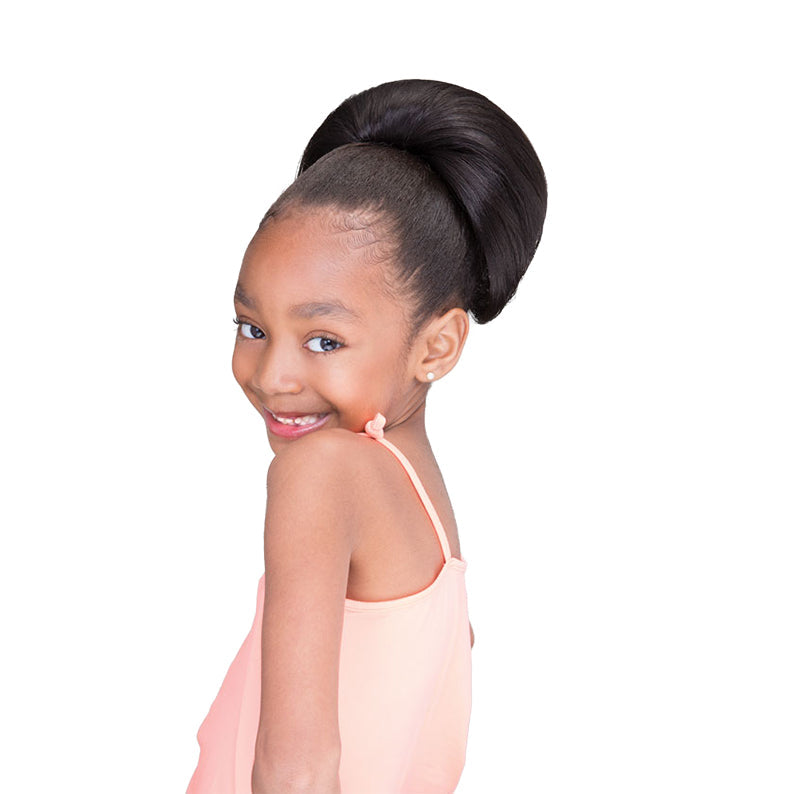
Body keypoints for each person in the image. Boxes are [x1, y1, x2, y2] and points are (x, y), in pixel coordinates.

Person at [186, 78, 547, 794]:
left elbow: (298, 768)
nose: (273, 376)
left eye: (324, 340)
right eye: (252, 328)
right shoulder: (424, 511)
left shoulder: (320, 472)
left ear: (437, 346)